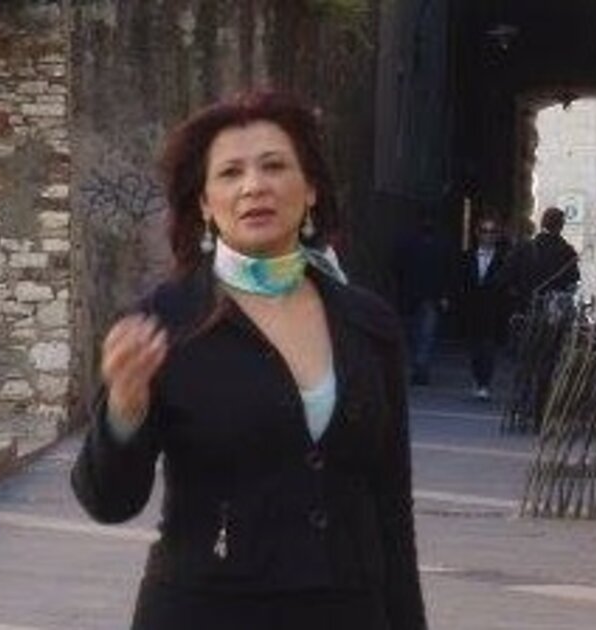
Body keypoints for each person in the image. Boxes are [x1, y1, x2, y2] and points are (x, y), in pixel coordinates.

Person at [71, 90, 427, 630]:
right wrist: (124, 408)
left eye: (274, 166)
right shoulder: (166, 321)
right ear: (205, 204)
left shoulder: (368, 323)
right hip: (204, 610)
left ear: (310, 189)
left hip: (349, 608)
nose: (254, 186)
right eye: (230, 173)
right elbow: (108, 501)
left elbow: (391, 508)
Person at [454, 216, 509, 400]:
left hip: (493, 311)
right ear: (477, 234)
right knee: (475, 349)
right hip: (472, 310)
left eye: (492, 232)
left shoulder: (504, 259)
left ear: (497, 235)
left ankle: (484, 383)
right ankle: (478, 378)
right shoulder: (467, 256)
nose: (488, 235)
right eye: (485, 231)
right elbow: (460, 282)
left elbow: (508, 285)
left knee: (488, 348)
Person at [394, 213, 451, 385]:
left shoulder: (406, 243)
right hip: (427, 296)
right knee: (424, 334)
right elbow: (447, 272)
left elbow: (397, 270)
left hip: (415, 296)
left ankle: (419, 367)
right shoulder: (441, 245)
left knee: (417, 334)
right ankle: (420, 367)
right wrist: (444, 295)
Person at [505, 206, 580, 315]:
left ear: (542, 223)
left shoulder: (524, 248)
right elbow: (573, 282)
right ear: (561, 226)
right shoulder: (567, 252)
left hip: (525, 310)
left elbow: (508, 276)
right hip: (553, 314)